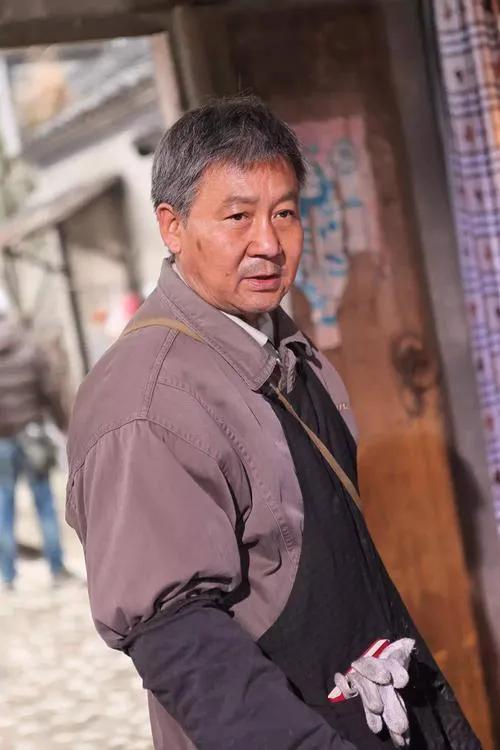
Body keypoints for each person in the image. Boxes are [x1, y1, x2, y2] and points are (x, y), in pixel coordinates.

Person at [66, 97, 479, 750]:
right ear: (172, 226)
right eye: (238, 217)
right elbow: (180, 641)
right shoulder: (145, 399)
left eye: (284, 213)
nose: (268, 243)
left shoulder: (277, 343)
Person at [0, 289, 70, 590]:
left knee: (3, 506)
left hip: (2, 440)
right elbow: (50, 389)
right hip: (32, 434)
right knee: (44, 502)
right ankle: (56, 568)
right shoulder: (29, 346)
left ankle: (7, 575)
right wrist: (63, 423)